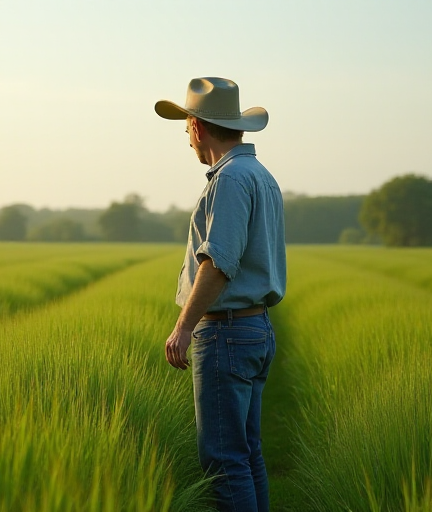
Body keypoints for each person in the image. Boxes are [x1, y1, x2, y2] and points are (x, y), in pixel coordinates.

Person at [155, 77, 287, 512]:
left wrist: (183, 326)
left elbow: (219, 262)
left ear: (196, 126)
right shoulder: (260, 175)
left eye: (186, 128)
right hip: (254, 329)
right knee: (246, 455)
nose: (187, 139)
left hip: (227, 335)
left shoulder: (230, 179)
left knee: (223, 460)